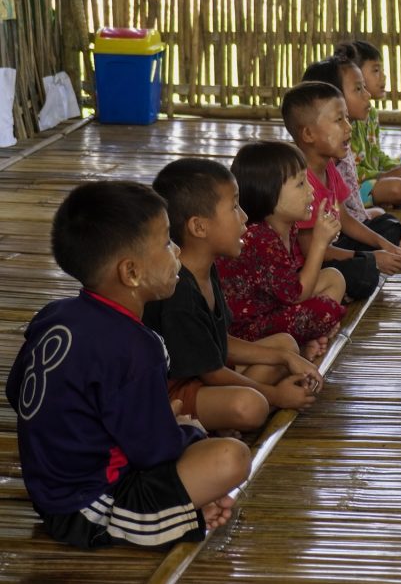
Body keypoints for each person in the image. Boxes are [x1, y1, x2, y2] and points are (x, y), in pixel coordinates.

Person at [5, 181, 251, 548]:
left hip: (50, 491)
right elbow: (155, 451)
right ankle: (171, 519)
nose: (177, 250)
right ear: (131, 272)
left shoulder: (54, 315)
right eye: (167, 242)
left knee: (199, 450)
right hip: (93, 508)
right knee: (229, 458)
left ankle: (182, 510)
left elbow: (15, 391)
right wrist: (185, 429)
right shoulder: (135, 346)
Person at [143, 159, 324, 434]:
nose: (244, 217)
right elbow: (211, 371)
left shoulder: (206, 267)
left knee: (286, 345)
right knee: (250, 407)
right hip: (172, 393)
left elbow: (218, 342)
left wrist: (284, 358)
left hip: (204, 375)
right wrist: (276, 396)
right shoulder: (179, 291)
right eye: (234, 207)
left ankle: (221, 418)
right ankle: (218, 419)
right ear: (199, 227)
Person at [282, 81, 401, 301]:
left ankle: (358, 274)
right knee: (364, 274)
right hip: (312, 263)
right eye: (338, 120)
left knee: (388, 226)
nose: (348, 128)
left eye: (347, 119)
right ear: (308, 134)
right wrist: (371, 258)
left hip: (334, 244)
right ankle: (336, 290)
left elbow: (345, 219)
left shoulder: (329, 167)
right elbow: (313, 252)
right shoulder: (300, 183)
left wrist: (385, 245)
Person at [215, 140, 347, 345]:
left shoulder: (287, 226)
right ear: (268, 192)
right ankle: (300, 344)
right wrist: (320, 243)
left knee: (334, 278)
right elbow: (297, 294)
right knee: (324, 311)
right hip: (246, 330)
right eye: (301, 184)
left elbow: (288, 288)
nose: (311, 190)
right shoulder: (259, 237)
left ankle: (306, 342)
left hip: (272, 306)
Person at [301, 56, 401, 257]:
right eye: (358, 89)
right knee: (398, 238)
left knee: (388, 224)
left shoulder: (339, 149)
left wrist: (381, 244)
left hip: (344, 227)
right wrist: (371, 257)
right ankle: (367, 260)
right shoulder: (311, 168)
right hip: (328, 244)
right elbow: (309, 246)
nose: (368, 95)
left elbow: (344, 215)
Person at [335, 40, 401, 209]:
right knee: (397, 189)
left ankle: (395, 193)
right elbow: (351, 172)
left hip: (376, 175)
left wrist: (400, 168)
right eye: (376, 70)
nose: (383, 77)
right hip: (357, 183)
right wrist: (387, 175)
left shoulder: (371, 115)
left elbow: (376, 154)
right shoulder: (345, 124)